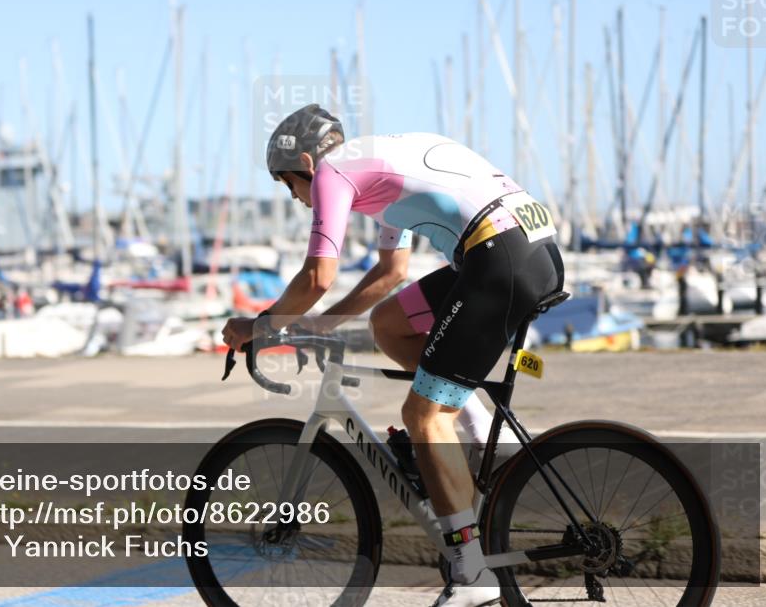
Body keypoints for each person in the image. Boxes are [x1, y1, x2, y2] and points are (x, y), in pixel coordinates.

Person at [222, 104, 564, 607]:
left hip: (499, 256)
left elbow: (318, 275)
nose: (294, 197)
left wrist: (260, 325)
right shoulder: (378, 170)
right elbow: (390, 274)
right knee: (389, 324)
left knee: (423, 416)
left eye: (288, 183)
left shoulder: (333, 173)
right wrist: (317, 324)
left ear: (307, 164)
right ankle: (483, 433)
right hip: (528, 248)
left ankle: (471, 573)